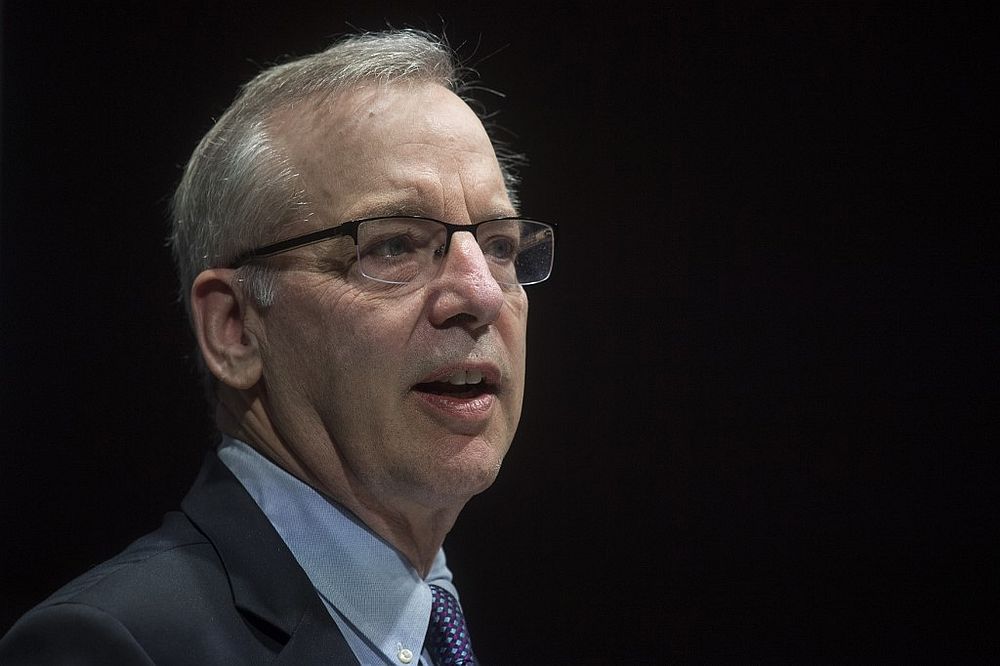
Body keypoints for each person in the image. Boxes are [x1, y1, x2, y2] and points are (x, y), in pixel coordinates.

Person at [0, 29, 555, 665]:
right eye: (394, 244)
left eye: (501, 246)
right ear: (234, 328)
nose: (481, 294)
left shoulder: (445, 626)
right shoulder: (111, 646)